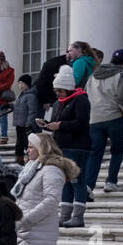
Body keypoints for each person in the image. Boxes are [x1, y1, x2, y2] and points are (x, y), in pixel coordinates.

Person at [41, 65, 91, 228]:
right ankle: (65, 215)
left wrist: (60, 126)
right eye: (56, 91)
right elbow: (58, 122)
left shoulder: (81, 99)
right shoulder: (59, 103)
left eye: (60, 91)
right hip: (62, 146)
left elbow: (81, 122)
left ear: (68, 88)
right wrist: (47, 125)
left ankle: (78, 216)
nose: (58, 94)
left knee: (77, 180)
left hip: (77, 146)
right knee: (66, 181)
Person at [83, 48, 123, 193]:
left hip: (94, 119)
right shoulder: (122, 75)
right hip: (113, 117)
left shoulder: (93, 75)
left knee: (95, 153)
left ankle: (88, 186)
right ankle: (111, 181)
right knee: (117, 151)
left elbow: (85, 95)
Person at [11, 74, 39, 164]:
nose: (20, 85)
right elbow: (18, 107)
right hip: (19, 124)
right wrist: (10, 106)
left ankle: (30, 160)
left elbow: (32, 111)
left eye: (22, 83)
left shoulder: (31, 95)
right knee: (19, 144)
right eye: (19, 83)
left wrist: (29, 124)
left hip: (26, 125)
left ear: (27, 84)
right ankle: (19, 160)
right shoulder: (21, 95)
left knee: (27, 144)